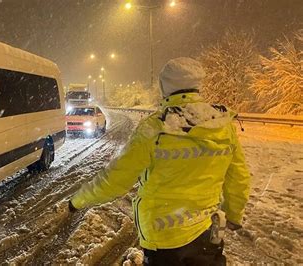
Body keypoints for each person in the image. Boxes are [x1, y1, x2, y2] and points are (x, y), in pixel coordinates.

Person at [69, 57, 251, 265]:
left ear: (165, 87)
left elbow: (115, 179)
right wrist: (234, 214)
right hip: (207, 230)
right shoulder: (222, 125)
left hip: (164, 236)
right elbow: (239, 176)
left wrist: (78, 200)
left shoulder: (154, 128)